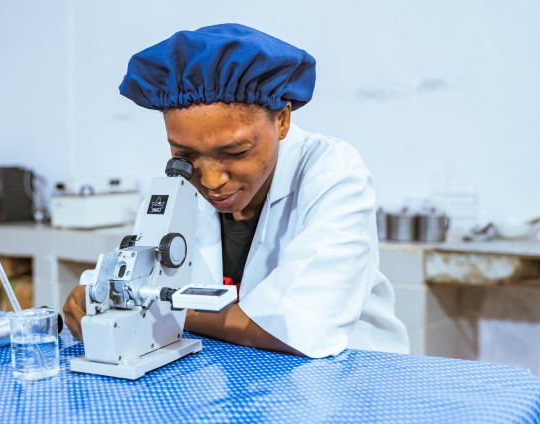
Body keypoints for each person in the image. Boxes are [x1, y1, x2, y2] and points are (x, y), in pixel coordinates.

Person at [63, 23, 409, 358]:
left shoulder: (331, 172)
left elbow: (300, 325)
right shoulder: (175, 191)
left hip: (350, 373)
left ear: (283, 119)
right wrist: (92, 298)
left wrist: (158, 309)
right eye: (185, 155)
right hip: (236, 373)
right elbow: (131, 276)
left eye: (235, 153)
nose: (211, 181)